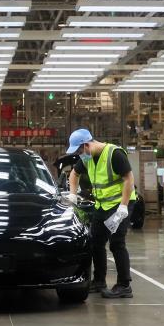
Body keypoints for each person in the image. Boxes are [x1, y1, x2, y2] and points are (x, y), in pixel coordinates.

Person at [66, 128, 136, 299]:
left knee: (116, 243)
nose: (80, 155)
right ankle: (99, 281)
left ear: (86, 145)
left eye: (79, 151)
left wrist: (123, 206)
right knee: (96, 242)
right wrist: (73, 194)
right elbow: (74, 174)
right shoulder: (87, 158)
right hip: (102, 205)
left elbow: (129, 179)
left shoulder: (114, 154)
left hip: (120, 204)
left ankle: (124, 285)